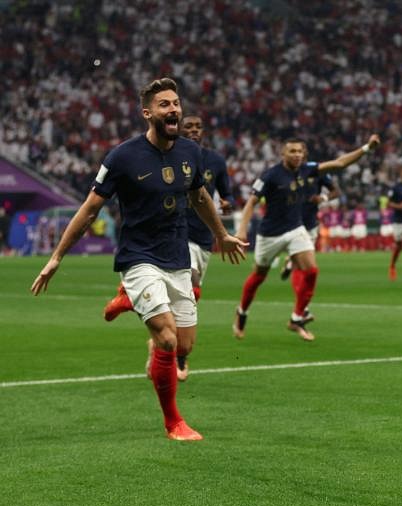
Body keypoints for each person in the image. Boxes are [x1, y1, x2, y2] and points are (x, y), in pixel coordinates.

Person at [30, 78, 247, 441]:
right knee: (165, 338)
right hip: (138, 256)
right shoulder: (122, 157)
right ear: (147, 113)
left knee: (183, 346)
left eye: (176, 103)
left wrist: (221, 233)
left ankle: (130, 300)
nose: (173, 109)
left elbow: (199, 197)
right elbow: (88, 211)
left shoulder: (190, 152)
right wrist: (56, 258)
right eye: (164, 104)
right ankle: (173, 422)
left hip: (176, 257)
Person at [102, 113, 234, 381]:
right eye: (190, 127)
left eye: (199, 126)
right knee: (188, 284)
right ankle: (176, 359)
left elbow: (219, 193)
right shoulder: (168, 155)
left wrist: (225, 210)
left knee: (189, 302)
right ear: (179, 129)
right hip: (176, 234)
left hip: (203, 236)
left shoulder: (211, 160)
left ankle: (164, 346)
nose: (194, 130)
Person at [233, 134, 380, 341]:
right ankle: (242, 312)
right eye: (292, 151)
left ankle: (297, 317)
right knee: (258, 276)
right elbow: (251, 203)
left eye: (300, 151)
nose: (296, 155)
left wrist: (367, 148)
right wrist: (241, 230)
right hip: (270, 234)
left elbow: (338, 164)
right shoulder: (271, 176)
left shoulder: (307, 169)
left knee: (311, 270)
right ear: (283, 153)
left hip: (295, 229)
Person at [280, 154, 338, 280]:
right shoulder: (285, 172)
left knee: (305, 256)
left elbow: (336, 191)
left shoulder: (317, 170)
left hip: (310, 220)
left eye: (300, 152)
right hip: (292, 220)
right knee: (303, 259)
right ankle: (292, 265)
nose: (297, 155)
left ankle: (290, 263)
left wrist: (323, 198)